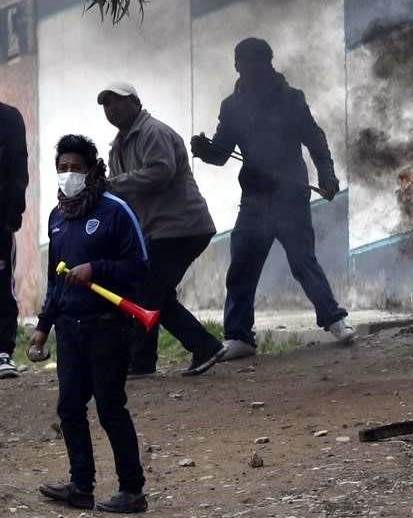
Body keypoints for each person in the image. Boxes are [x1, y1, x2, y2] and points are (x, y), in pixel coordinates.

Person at [191, 38, 354, 360]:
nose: (248, 68)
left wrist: (328, 174)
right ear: (236, 66)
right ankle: (239, 337)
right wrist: (205, 151)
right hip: (254, 198)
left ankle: (334, 319)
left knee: (303, 261)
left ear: (268, 62)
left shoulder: (291, 99)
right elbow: (223, 153)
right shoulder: (232, 106)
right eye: (242, 62)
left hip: (290, 195)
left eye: (255, 61)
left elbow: (315, 138)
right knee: (242, 267)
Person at [28, 135, 148, 513]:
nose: (68, 175)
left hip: (107, 326)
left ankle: (132, 491)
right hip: (69, 329)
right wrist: (43, 325)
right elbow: (55, 280)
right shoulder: (57, 218)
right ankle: (81, 486)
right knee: (69, 408)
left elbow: (139, 266)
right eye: (62, 169)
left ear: (93, 170)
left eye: (75, 169)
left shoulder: (115, 211)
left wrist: (96, 269)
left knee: (111, 409)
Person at [99, 82, 226, 377]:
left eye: (117, 101)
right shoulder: (118, 145)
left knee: (148, 292)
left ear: (135, 102)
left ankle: (200, 347)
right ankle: (146, 360)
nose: (112, 109)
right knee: (153, 294)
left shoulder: (153, 132)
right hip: (158, 232)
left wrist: (112, 184)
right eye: (106, 105)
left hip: (181, 228)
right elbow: (121, 193)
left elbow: (160, 172)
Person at [0, 100, 28, 378]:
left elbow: (18, 167)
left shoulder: (8, 118)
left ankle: (2, 352)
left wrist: (12, 215)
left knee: (1, 285)